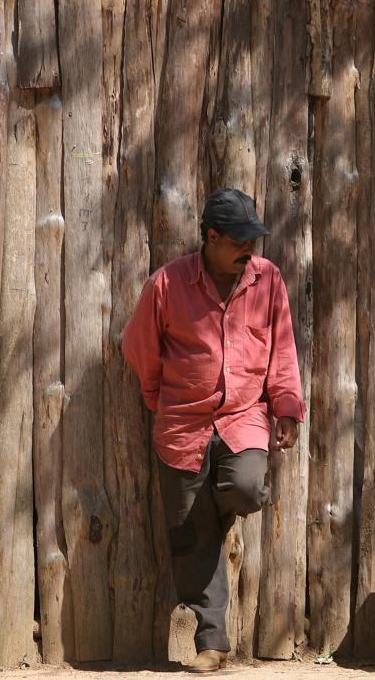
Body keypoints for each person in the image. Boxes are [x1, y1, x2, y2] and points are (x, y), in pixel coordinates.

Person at [122, 188, 305, 672]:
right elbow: (138, 345)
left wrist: (285, 407)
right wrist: (158, 397)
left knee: (246, 489)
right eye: (239, 241)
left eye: (254, 241)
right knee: (188, 537)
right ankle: (212, 643)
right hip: (183, 424)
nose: (250, 251)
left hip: (243, 418)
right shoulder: (167, 284)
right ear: (211, 237)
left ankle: (215, 511)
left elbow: (282, 350)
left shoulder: (268, 281)